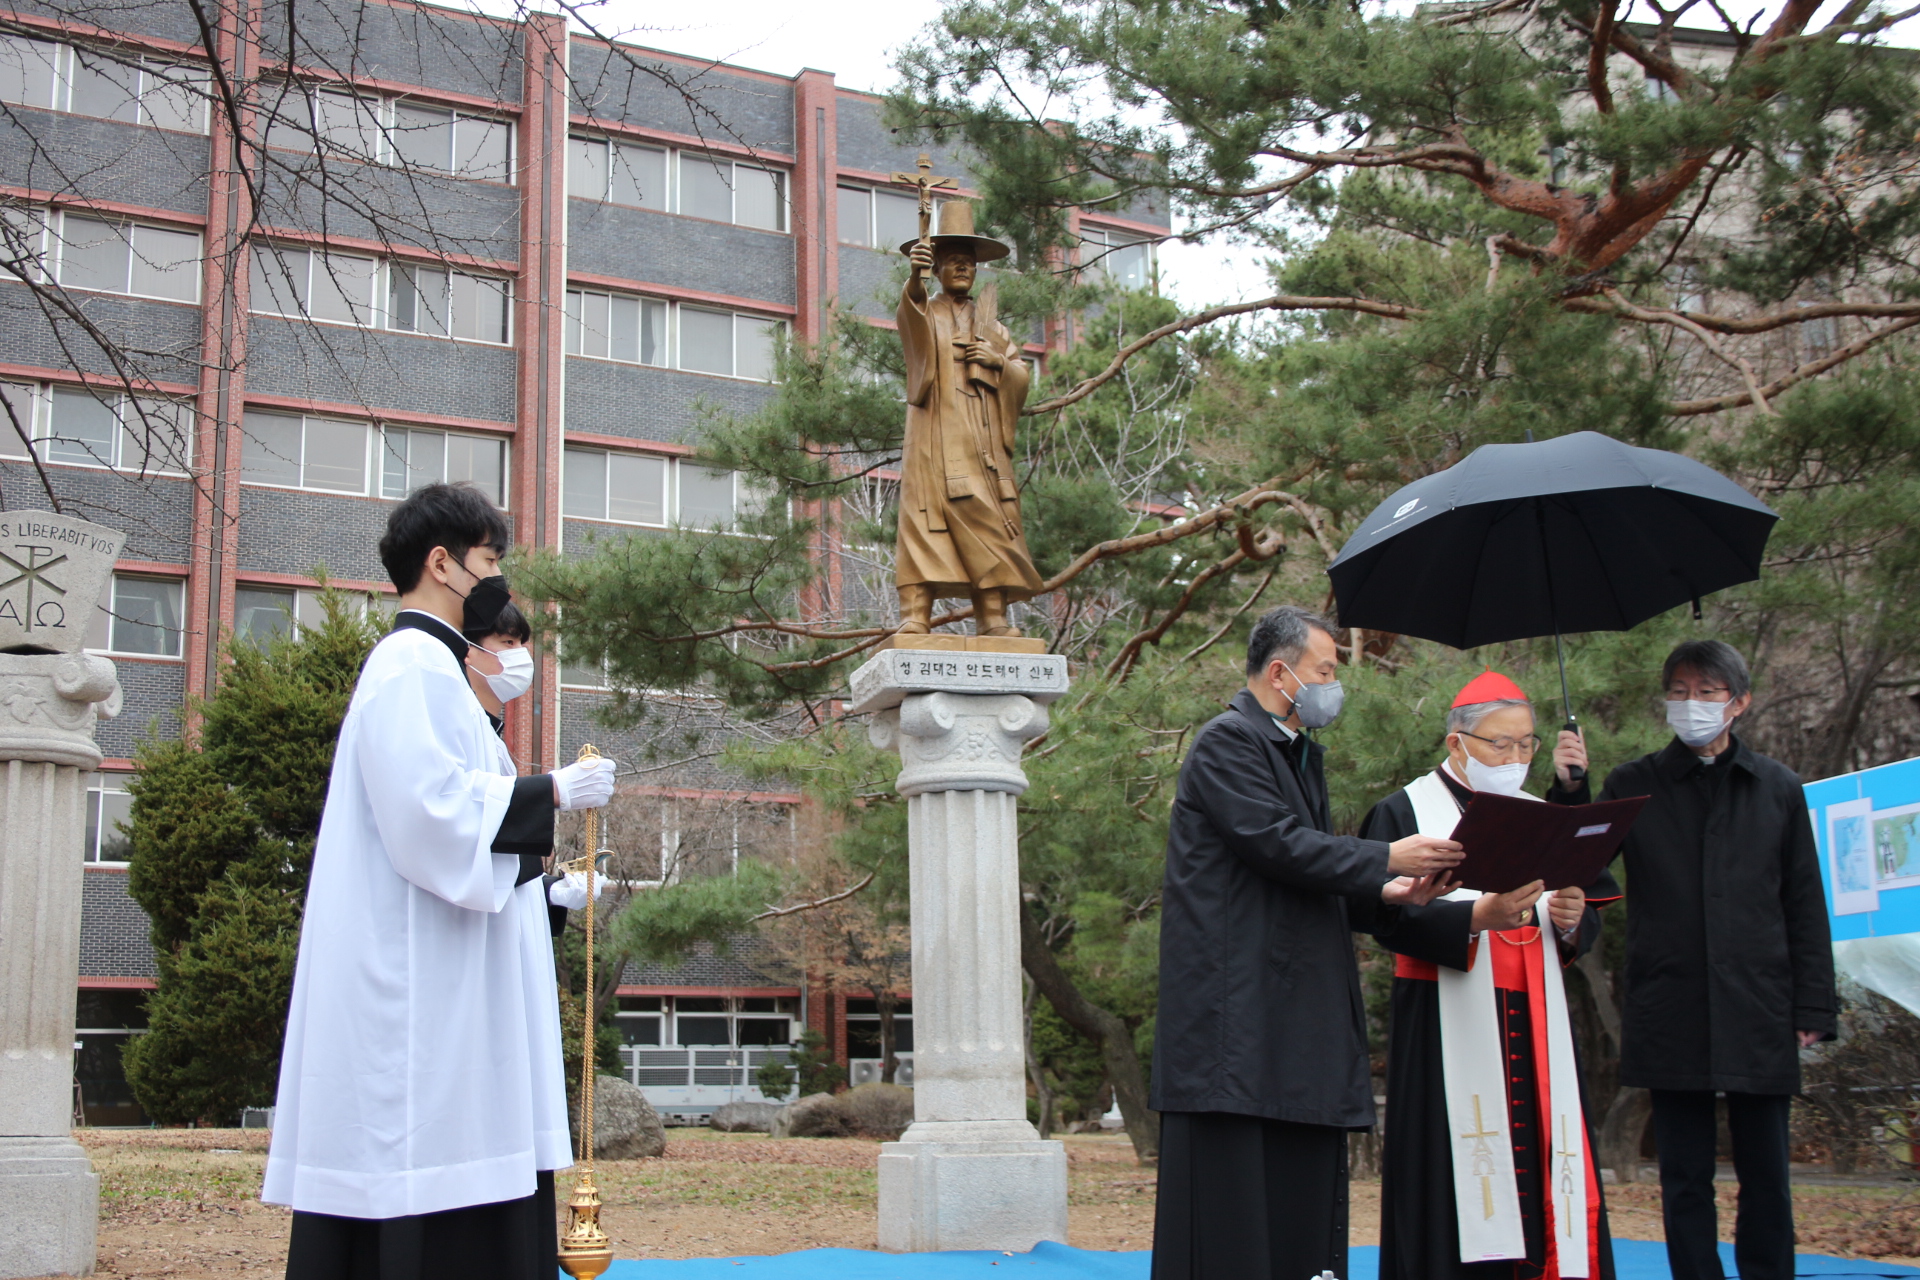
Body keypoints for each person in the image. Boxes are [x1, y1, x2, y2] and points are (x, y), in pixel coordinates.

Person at [263, 483, 617, 1280]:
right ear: (442, 563)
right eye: (489, 560)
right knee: (427, 1161)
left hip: (453, 973)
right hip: (417, 990)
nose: (498, 579)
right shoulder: (413, 664)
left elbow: (462, 828)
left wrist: (541, 894)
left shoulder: (440, 673)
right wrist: (550, 792)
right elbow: (430, 814)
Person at [1151, 605, 1465, 1280]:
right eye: (1325, 670)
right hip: (1234, 1021)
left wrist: (1388, 893)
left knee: (1296, 1209)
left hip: (1285, 1016)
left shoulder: (1293, 754)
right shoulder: (1228, 742)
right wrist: (1387, 857)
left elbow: (1302, 875)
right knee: (1234, 1220)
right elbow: (1278, 845)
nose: (1333, 684)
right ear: (1280, 672)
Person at [1361, 670, 1620, 1280]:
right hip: (1443, 1025)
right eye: (1499, 744)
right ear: (1456, 743)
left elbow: (1581, 918)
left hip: (1535, 1023)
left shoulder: (1541, 815)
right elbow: (1376, 915)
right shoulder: (1404, 810)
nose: (1516, 758)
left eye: (1526, 743)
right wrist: (1476, 917)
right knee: (1452, 1179)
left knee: (1541, 1168)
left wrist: (1571, 916)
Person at [1598, 640, 1836, 1280]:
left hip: (1760, 1000)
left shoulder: (1777, 787)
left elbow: (1804, 901)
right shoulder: (1633, 783)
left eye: (1707, 692)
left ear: (1740, 702)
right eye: (1678, 690)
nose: (1691, 704)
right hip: (1672, 998)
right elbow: (1581, 868)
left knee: (1766, 1172)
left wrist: (1813, 1002)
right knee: (1682, 1174)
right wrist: (1569, 792)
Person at [894, 198, 1043, 637]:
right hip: (933, 433)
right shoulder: (927, 308)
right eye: (953, 262)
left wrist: (996, 363)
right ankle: (915, 614)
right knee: (924, 518)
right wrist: (914, 280)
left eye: (970, 264)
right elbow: (911, 322)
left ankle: (992, 617)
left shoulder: (992, 325)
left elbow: (1020, 373)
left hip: (980, 442)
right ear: (937, 267)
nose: (963, 269)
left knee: (990, 519)